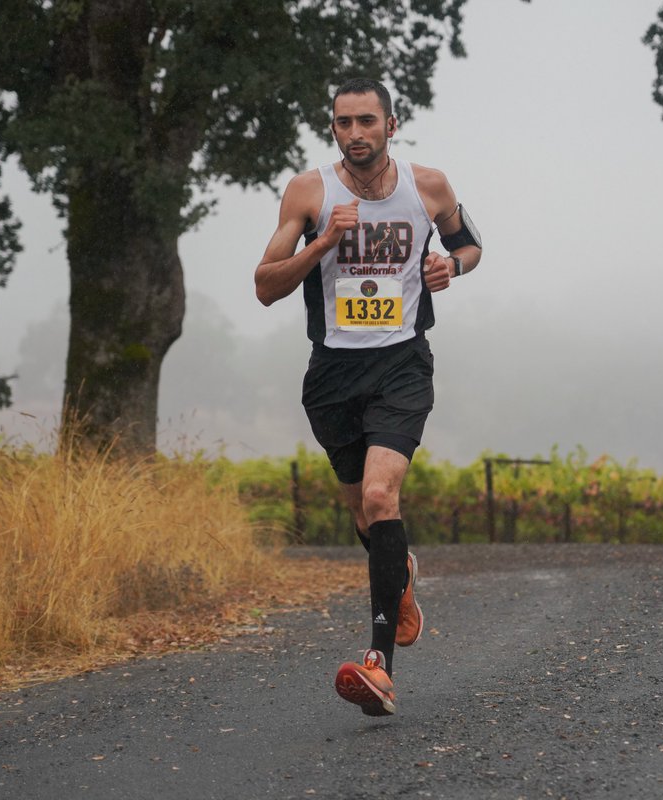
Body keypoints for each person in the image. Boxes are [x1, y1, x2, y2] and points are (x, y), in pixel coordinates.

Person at [253, 78, 482, 716]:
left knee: (383, 494)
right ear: (333, 129)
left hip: (403, 363)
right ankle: (398, 572)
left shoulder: (428, 184)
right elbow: (265, 286)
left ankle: (379, 665)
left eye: (366, 121)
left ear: (391, 123)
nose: (355, 133)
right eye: (343, 123)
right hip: (332, 373)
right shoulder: (309, 192)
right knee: (362, 513)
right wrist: (323, 242)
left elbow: (469, 242)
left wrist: (453, 267)